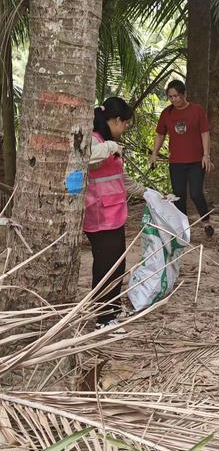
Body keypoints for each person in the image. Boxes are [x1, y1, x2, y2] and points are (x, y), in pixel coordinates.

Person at [84, 97, 146, 331]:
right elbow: (86, 158)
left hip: (114, 216)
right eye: (126, 124)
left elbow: (122, 178)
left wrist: (147, 192)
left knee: (117, 267)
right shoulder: (94, 140)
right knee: (105, 268)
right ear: (116, 120)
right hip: (99, 217)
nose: (125, 129)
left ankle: (112, 312)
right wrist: (111, 147)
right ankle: (103, 318)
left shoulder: (108, 142)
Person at [149, 80, 214, 237]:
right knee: (179, 196)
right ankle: (183, 229)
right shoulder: (167, 113)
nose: (173, 100)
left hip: (196, 162)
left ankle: (206, 223)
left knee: (196, 193)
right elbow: (160, 135)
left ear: (184, 94)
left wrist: (206, 155)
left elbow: (204, 133)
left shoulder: (197, 110)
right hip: (176, 162)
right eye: (170, 97)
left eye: (176, 96)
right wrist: (154, 154)